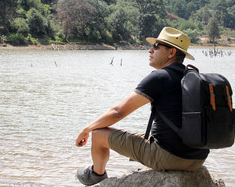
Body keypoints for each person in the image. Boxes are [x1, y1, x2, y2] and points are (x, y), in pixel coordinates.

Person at [75, 27, 209, 186]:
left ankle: (97, 175)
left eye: (157, 46)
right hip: (197, 158)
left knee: (98, 134)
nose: (150, 50)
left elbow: (118, 112)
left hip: (171, 157)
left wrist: (86, 130)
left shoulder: (160, 77)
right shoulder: (192, 77)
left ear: (171, 53)